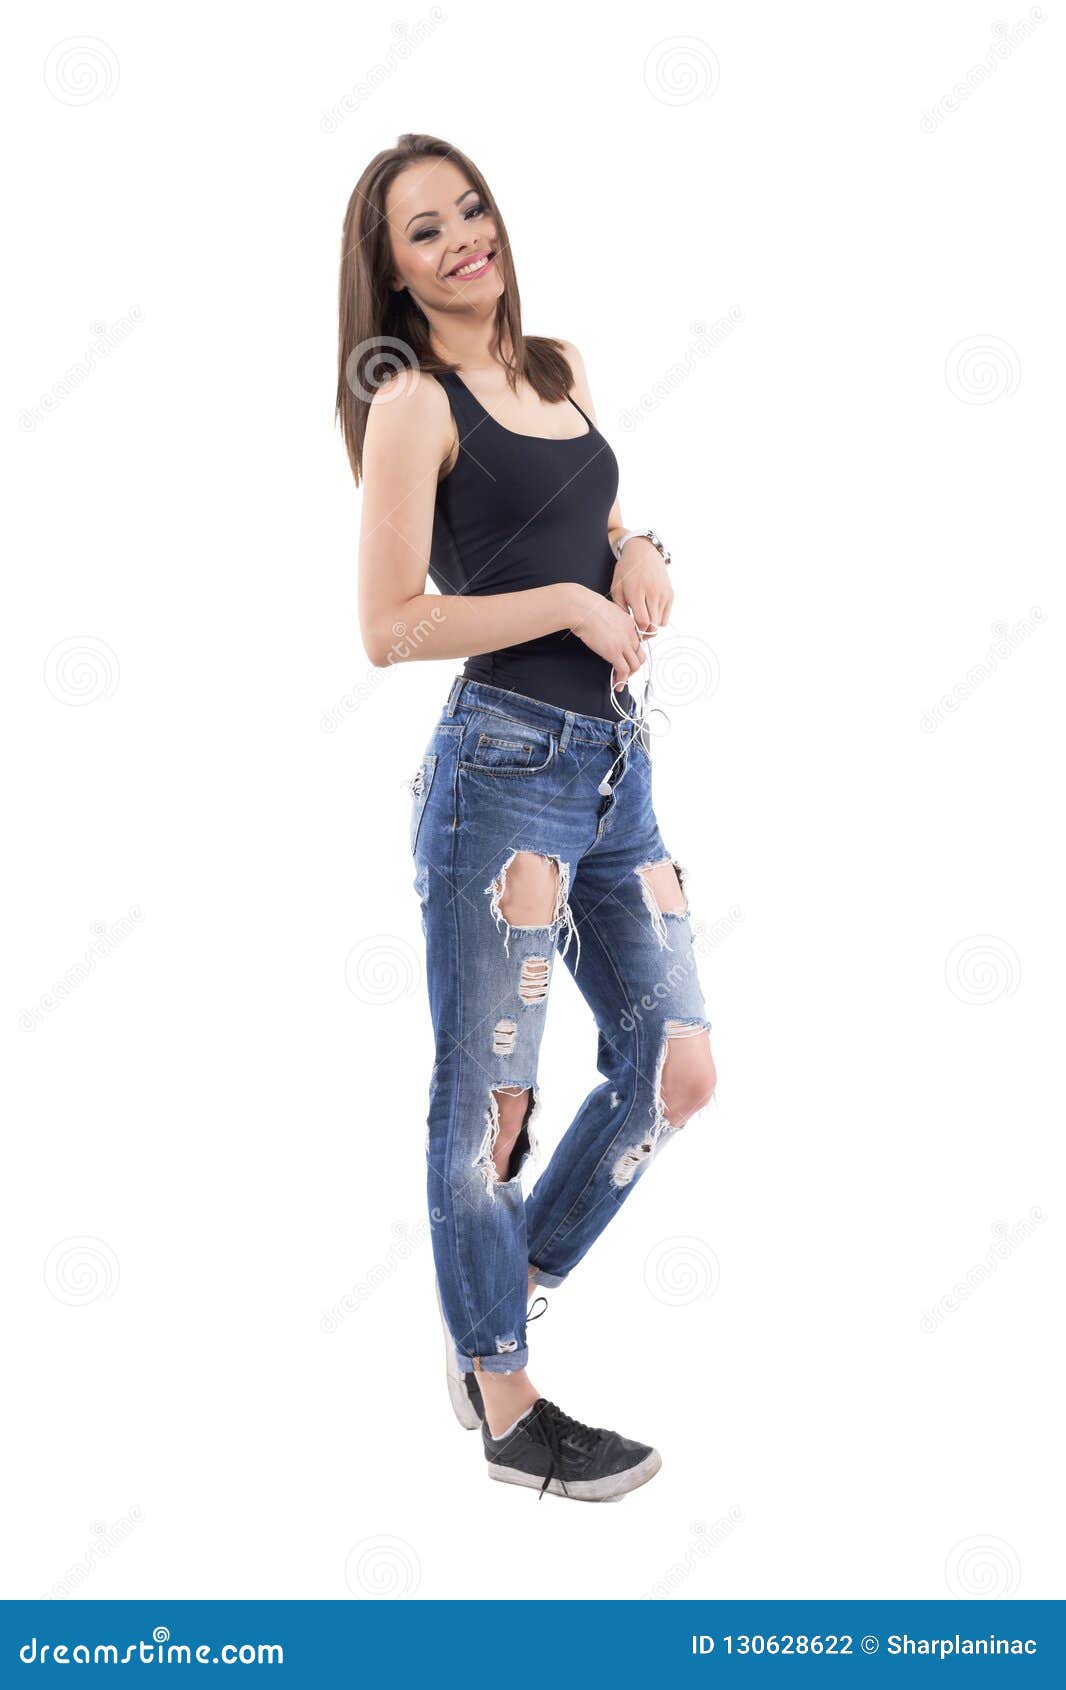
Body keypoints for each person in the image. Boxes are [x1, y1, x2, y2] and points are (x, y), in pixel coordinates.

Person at [337, 133, 717, 1501]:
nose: (460, 240)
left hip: (618, 771)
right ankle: (508, 1411)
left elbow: (599, 520)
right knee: (488, 1103)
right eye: (423, 231)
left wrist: (635, 555)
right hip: (503, 770)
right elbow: (389, 626)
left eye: (470, 209)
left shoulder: (552, 367)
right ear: (391, 273)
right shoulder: (412, 405)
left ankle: (497, 1294)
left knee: (673, 1066)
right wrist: (567, 605)